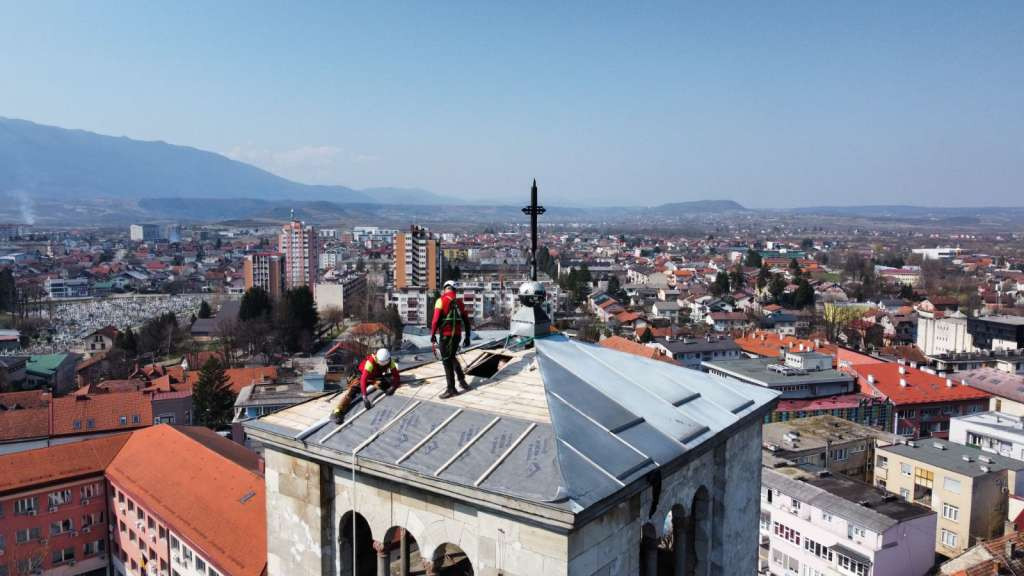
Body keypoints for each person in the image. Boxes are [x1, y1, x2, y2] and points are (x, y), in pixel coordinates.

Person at [331, 348, 400, 424]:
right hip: (361, 376)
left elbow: (396, 376)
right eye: (381, 363)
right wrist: (364, 397)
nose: (383, 365)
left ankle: (385, 386)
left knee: (385, 385)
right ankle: (337, 411)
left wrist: (393, 387)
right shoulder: (370, 362)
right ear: (377, 359)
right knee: (353, 392)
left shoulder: (390, 361)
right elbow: (363, 379)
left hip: (374, 377)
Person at [430, 280, 472, 399]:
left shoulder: (440, 300)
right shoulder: (459, 303)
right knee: (452, 357)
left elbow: (435, 320)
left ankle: (451, 389)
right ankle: (462, 381)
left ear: (445, 289)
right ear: (454, 290)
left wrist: (432, 334)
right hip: (457, 336)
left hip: (446, 336)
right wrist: (467, 336)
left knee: (446, 361)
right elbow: (466, 322)